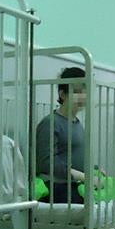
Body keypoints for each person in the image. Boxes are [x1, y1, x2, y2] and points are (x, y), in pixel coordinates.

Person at [35, 67, 93, 203]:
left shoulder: (77, 123)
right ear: (62, 94)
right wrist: (81, 176)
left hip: (74, 183)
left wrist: (93, 169)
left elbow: (74, 155)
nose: (82, 97)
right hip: (56, 185)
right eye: (77, 92)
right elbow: (46, 163)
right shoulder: (51, 123)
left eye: (85, 93)